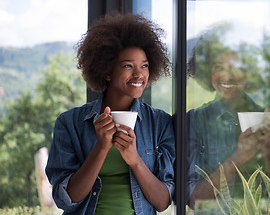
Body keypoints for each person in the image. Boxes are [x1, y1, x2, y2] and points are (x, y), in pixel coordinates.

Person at [45, 12, 175, 215]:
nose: (139, 74)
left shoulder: (160, 123)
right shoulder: (69, 123)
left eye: (144, 66)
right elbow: (66, 200)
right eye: (127, 66)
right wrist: (101, 147)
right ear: (106, 71)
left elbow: (162, 202)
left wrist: (134, 160)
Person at [186, 27, 270, 211]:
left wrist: (269, 151)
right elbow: (193, 199)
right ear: (207, 72)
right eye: (218, 67)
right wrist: (238, 158)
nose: (226, 75)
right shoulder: (193, 121)